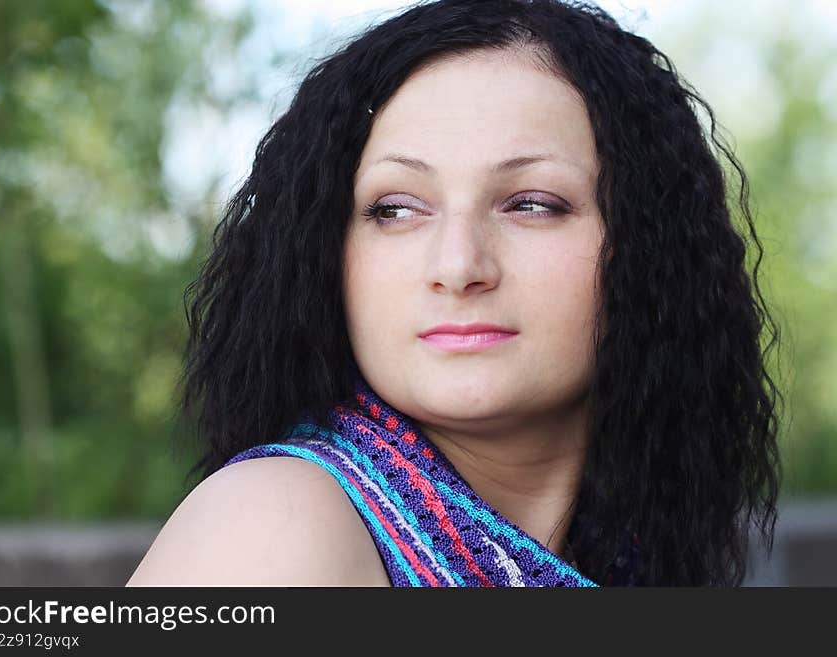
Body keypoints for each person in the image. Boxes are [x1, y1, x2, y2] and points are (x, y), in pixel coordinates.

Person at [126, 0, 783, 587]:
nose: (459, 264)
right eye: (396, 209)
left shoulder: (633, 553)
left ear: (649, 246)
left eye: (531, 204)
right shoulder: (274, 527)